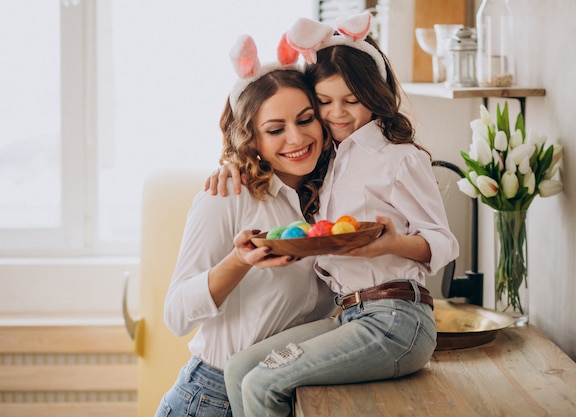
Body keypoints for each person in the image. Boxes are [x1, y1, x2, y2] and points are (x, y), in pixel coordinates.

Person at [216, 12, 460, 417]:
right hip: (349, 315)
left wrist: (393, 243)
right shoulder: (329, 161)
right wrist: (234, 163)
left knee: (262, 383)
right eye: (324, 102)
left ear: (374, 94)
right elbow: (270, 146)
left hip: (396, 319)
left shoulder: (400, 158)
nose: (337, 114)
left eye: (351, 100)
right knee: (240, 369)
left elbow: (443, 241)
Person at [154, 34, 339, 417]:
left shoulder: (334, 195)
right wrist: (239, 261)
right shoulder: (227, 196)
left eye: (306, 120)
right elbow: (175, 316)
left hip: (284, 394)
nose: (297, 137)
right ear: (251, 139)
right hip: (212, 398)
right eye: (275, 129)